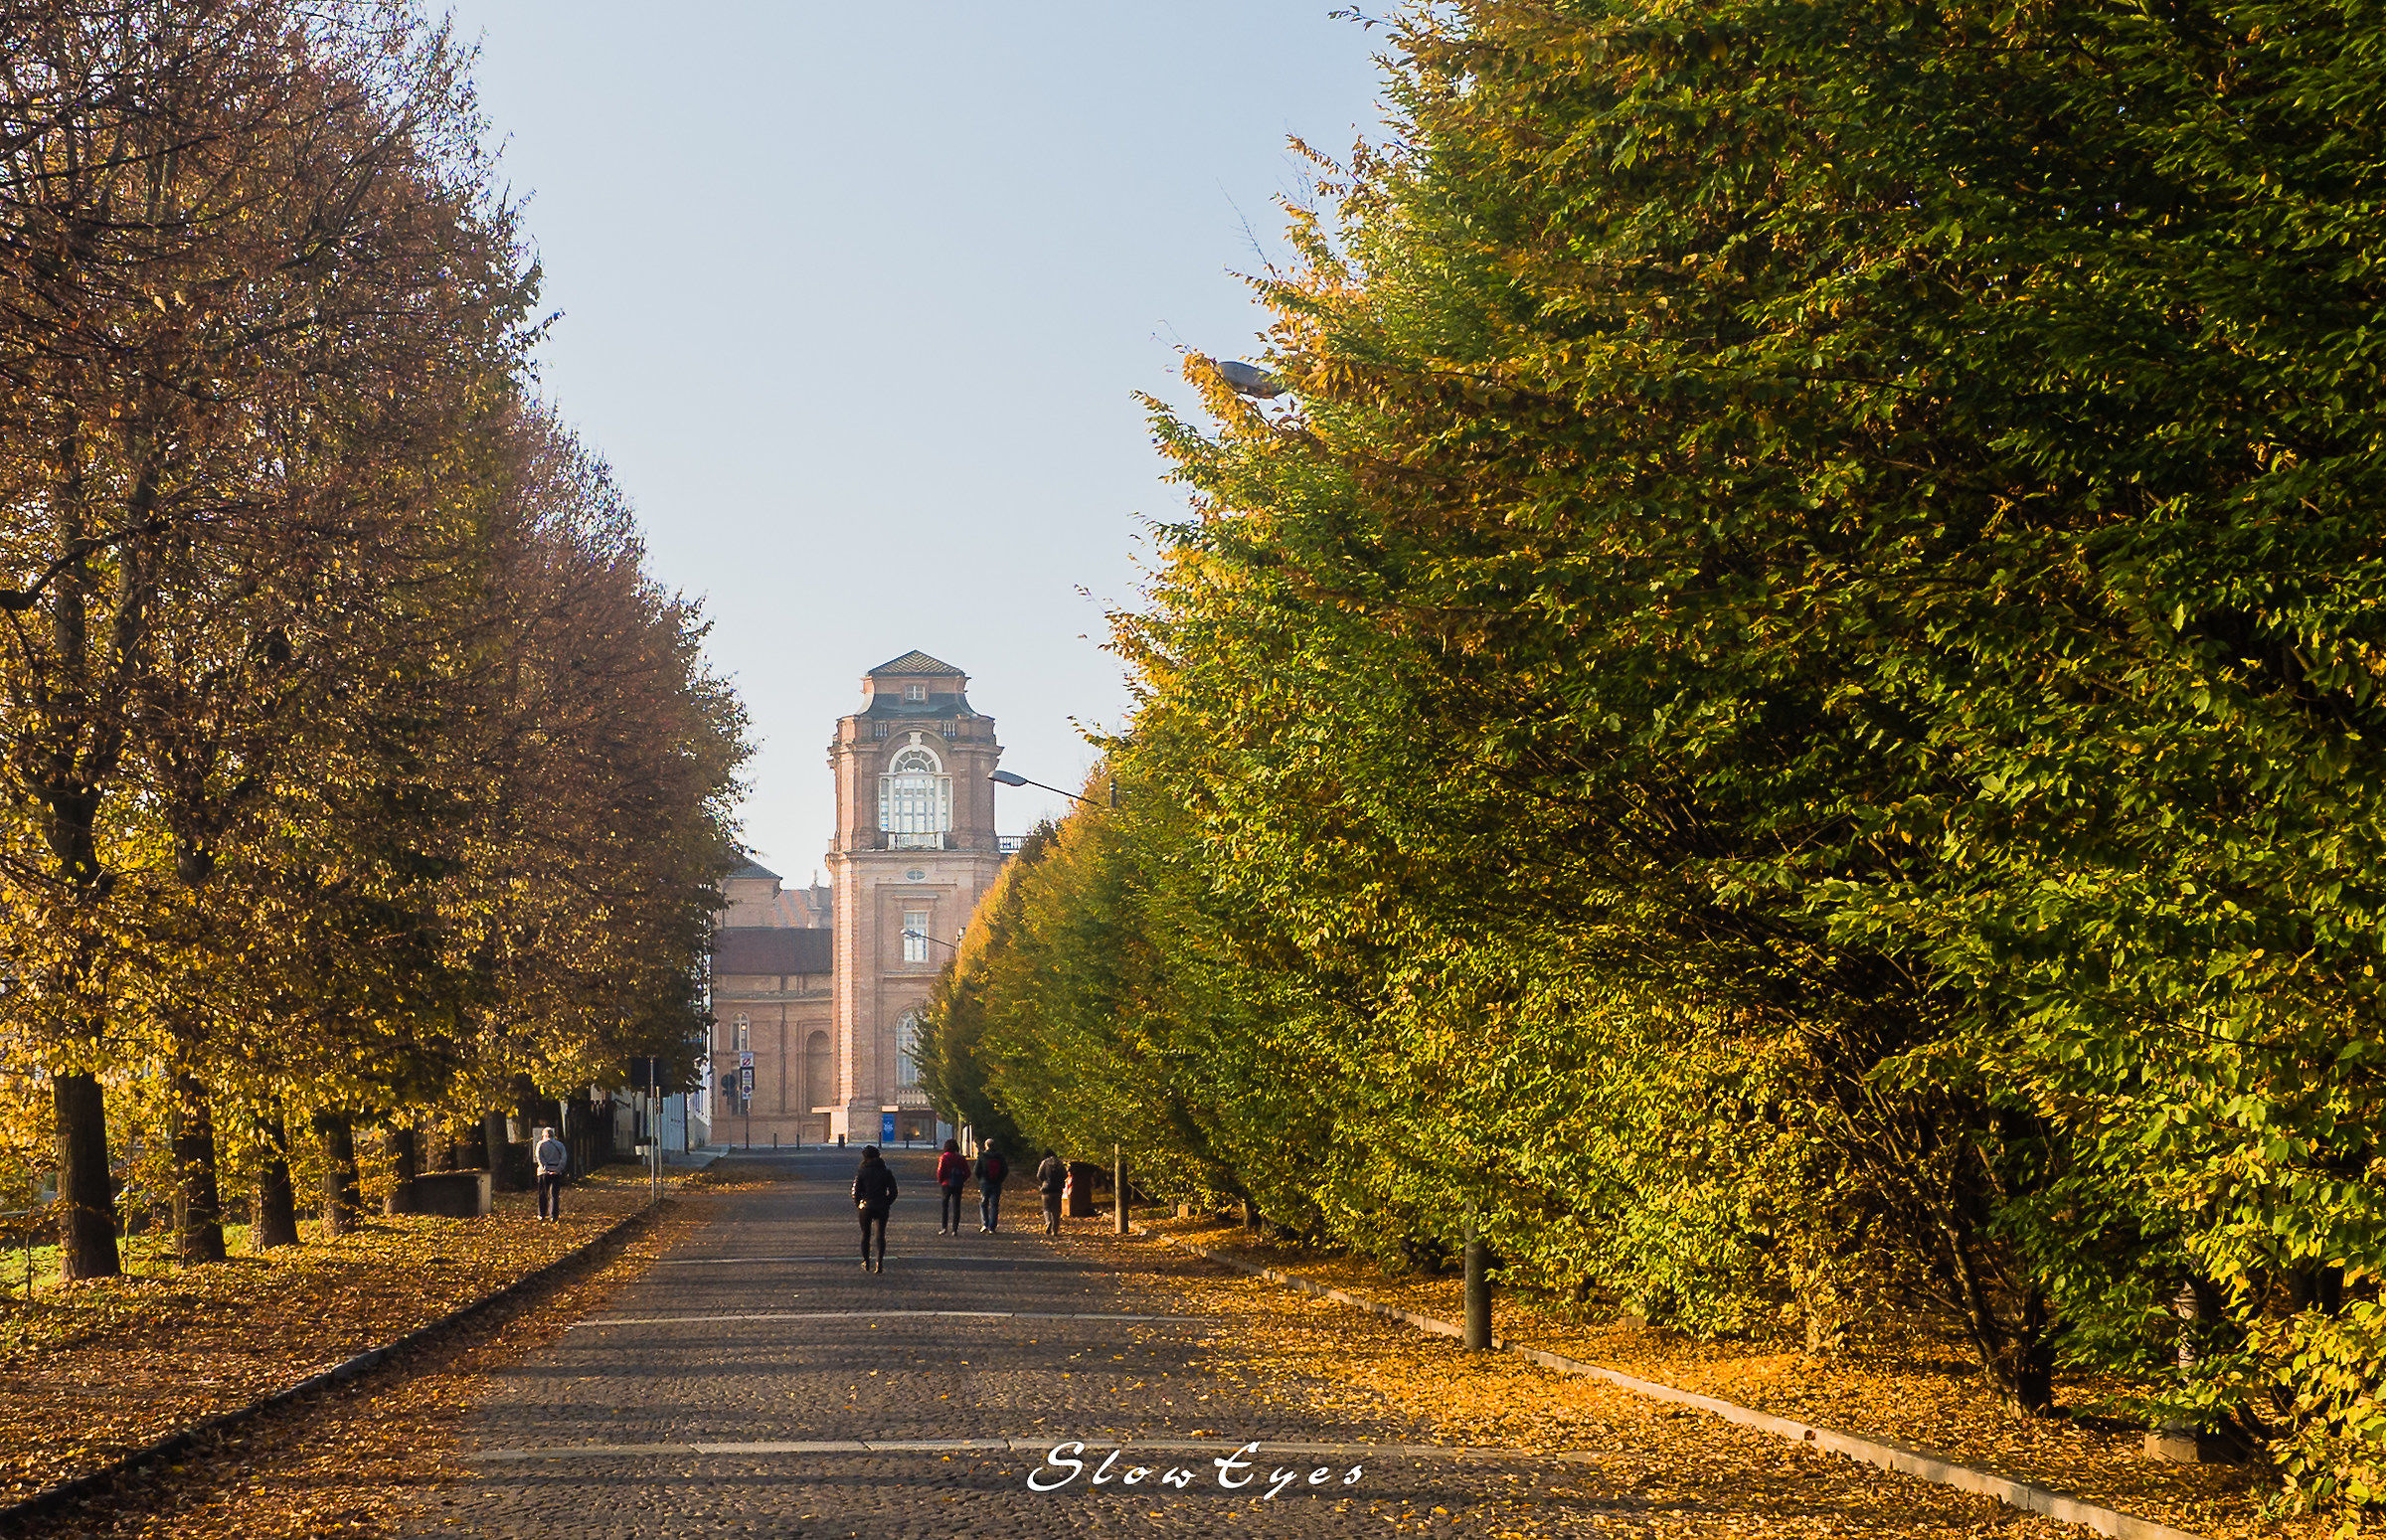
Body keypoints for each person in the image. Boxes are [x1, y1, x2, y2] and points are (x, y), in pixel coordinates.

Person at [853, 1144, 898, 1273]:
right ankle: (879, 1262)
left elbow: (856, 1191)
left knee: (865, 1234)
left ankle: (866, 1261)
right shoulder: (886, 1172)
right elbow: (894, 1191)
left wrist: (859, 1204)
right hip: (881, 1205)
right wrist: (887, 1202)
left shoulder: (861, 1172)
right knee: (880, 1234)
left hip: (865, 1206)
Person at [533, 1126, 569, 1222]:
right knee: (554, 1194)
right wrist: (558, 1169)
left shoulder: (540, 1144)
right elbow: (564, 1158)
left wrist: (546, 1168)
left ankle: (542, 1214)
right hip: (556, 1171)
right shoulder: (560, 1145)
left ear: (544, 1135)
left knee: (543, 1193)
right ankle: (554, 1215)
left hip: (543, 1172)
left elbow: (539, 1158)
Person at [936, 1138, 968, 1236]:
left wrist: (941, 1181)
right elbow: (967, 1172)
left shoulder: (944, 1158)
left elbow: (940, 1171)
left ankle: (944, 1227)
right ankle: (955, 1229)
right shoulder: (961, 1158)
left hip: (946, 1183)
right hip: (958, 1183)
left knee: (945, 1206)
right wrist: (962, 1179)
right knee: (956, 1206)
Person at [974, 1138, 1009, 1233]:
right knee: (994, 1205)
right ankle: (992, 1227)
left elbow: (976, 1170)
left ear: (986, 1146)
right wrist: (1000, 1179)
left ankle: (985, 1224)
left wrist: (981, 1179)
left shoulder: (982, 1156)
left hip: (985, 1183)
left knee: (983, 1203)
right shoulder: (1000, 1156)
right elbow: (1005, 1170)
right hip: (996, 1183)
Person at [1036, 1149, 1066, 1236]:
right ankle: (1055, 1231)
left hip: (1046, 1189)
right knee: (1056, 1211)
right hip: (1058, 1190)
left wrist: (1044, 1182)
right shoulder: (1060, 1163)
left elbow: (1039, 1175)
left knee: (1046, 1208)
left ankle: (1048, 1222)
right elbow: (1065, 1175)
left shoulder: (1044, 1163)